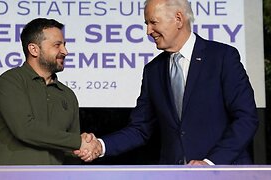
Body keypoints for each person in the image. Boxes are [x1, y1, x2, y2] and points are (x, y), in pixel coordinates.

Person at [75, 0, 259, 165]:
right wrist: (100, 145)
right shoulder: (153, 70)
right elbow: (140, 129)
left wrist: (210, 163)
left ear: (178, 19)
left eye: (153, 22)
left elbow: (246, 118)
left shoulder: (222, 57)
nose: (148, 31)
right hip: (175, 173)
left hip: (225, 172)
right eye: (147, 24)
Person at [0, 18, 100, 165]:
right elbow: (25, 129)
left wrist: (86, 149)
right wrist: (78, 142)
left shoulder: (67, 94)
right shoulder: (11, 80)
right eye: (57, 45)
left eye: (64, 45)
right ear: (34, 49)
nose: (65, 52)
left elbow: (70, 148)